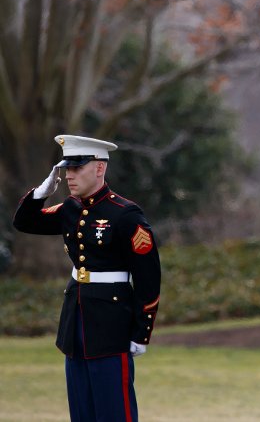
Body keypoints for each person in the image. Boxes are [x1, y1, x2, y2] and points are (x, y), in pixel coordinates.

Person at [13, 135, 161, 422]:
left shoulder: (125, 215)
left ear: (99, 168)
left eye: (77, 167)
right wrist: (41, 192)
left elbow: (148, 278)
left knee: (113, 412)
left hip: (111, 324)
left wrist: (142, 331)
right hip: (76, 323)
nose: (69, 175)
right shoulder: (70, 208)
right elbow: (24, 222)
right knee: (82, 413)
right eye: (67, 168)